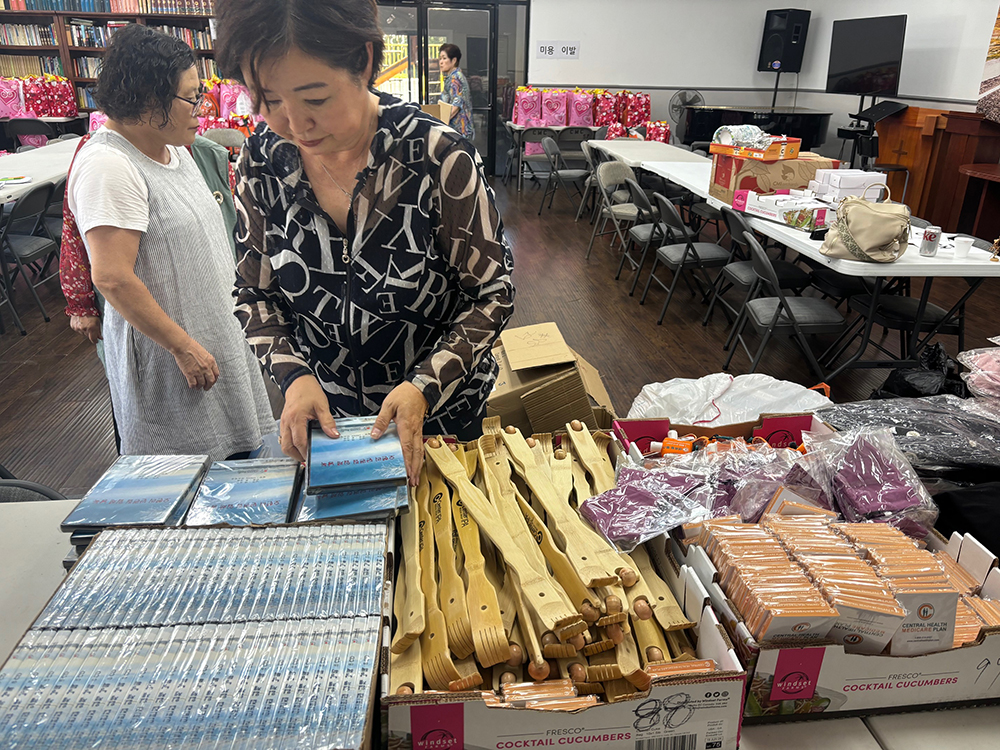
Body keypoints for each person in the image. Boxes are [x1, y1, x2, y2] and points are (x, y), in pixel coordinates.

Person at [215, 0, 514, 484]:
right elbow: (254, 293)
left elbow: (493, 294)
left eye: (315, 99)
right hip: (331, 425)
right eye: (268, 100)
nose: (295, 125)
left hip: (441, 420)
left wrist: (424, 385)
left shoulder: (436, 157)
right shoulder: (262, 162)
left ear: (364, 61)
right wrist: (294, 376)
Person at [66, 24, 276, 460]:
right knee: (190, 476)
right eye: (191, 98)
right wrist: (183, 346)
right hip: (173, 358)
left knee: (238, 462)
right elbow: (112, 277)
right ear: (148, 99)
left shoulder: (175, 149)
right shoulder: (109, 166)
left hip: (213, 336)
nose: (202, 109)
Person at [438, 43, 474, 141]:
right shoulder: (451, 77)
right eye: (440, 59)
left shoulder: (456, 78)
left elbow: (456, 106)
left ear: (454, 60)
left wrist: (440, 122)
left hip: (459, 131)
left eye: (444, 58)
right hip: (455, 130)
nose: (441, 62)